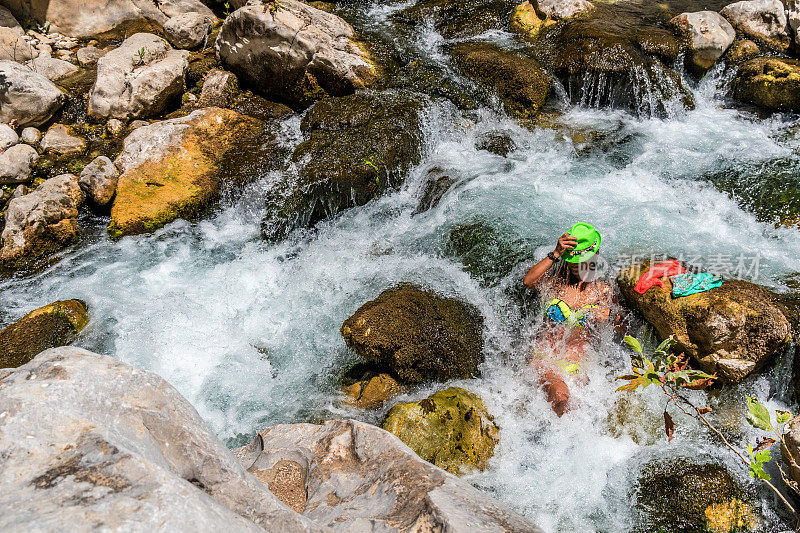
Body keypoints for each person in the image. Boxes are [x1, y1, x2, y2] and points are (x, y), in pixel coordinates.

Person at [522, 223, 614, 416]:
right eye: (570, 259)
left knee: (593, 407)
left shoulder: (602, 291)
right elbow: (528, 282)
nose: (573, 264)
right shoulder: (554, 282)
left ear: (594, 257)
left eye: (579, 260)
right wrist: (555, 253)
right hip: (545, 359)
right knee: (561, 398)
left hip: (578, 364)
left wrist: (608, 316)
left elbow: (622, 327)